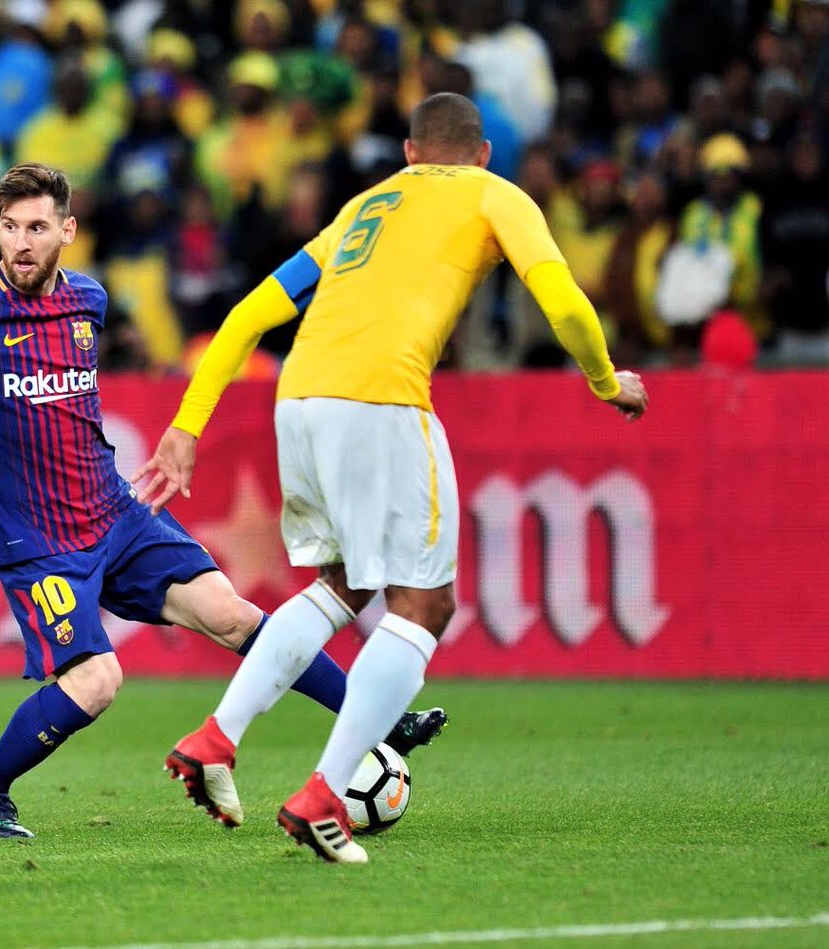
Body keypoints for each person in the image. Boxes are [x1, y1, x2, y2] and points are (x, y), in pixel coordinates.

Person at [135, 94, 649, 864]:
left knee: (340, 585)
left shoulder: (364, 206)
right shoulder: (494, 194)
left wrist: (187, 423)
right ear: (480, 154)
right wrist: (607, 381)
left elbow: (246, 315)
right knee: (425, 600)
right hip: (379, 400)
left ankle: (216, 738)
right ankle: (324, 794)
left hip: (299, 399)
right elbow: (564, 301)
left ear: (410, 153)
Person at [0, 162, 447, 840]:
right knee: (97, 680)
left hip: (116, 512)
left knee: (230, 613)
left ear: (67, 229)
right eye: (9, 227)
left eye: (36, 227)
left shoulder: (87, 299)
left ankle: (378, 722)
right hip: (39, 539)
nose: (21, 243)